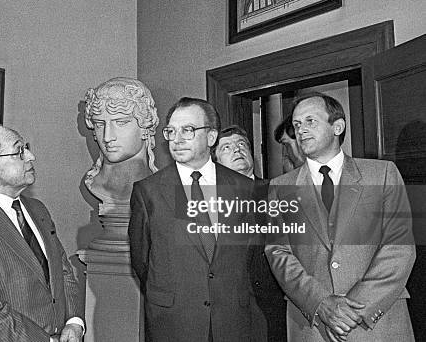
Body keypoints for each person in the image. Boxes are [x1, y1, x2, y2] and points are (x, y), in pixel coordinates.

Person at [265, 93, 415, 341]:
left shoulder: (382, 174)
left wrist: (352, 311)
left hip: (377, 324)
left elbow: (400, 248)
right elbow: (278, 252)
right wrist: (321, 304)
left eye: (310, 121)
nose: (301, 130)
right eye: (297, 125)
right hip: (312, 327)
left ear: (338, 126)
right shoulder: (280, 187)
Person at [128, 97, 266, 341]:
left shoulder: (244, 188)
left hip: (234, 322)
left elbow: (252, 257)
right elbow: (143, 261)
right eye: (171, 131)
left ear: (211, 137)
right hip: (174, 324)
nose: (177, 139)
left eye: (188, 130)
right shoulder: (148, 192)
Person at [0, 124, 83, 342]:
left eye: (27, 148)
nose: (31, 156)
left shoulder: (37, 209)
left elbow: (63, 271)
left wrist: (74, 322)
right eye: (19, 151)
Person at [213, 124, 287, 341]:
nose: (237, 150)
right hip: (226, 312)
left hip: (273, 309)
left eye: (241, 144)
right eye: (226, 147)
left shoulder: (278, 192)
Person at [84, 77, 158, 203]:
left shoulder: (164, 187)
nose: (107, 137)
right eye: (99, 124)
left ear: (145, 126)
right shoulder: (94, 184)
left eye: (121, 122)